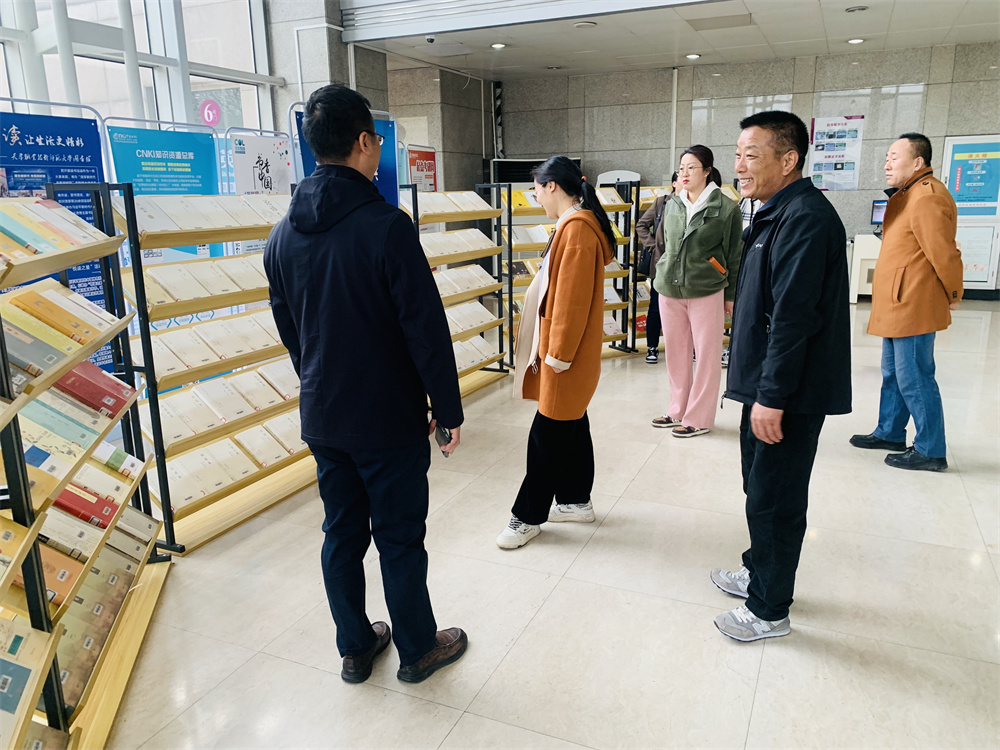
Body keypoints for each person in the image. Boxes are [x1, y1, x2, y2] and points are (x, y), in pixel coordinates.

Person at [264, 84, 468, 684]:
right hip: (387, 417)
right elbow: (424, 329)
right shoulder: (387, 227)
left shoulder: (281, 235)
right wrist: (447, 409)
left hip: (324, 415)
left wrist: (317, 379)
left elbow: (290, 328)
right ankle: (417, 649)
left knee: (341, 532)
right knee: (399, 537)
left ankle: (355, 647)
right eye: (376, 139)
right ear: (362, 142)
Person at [712, 111, 851, 642]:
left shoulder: (805, 219)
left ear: (788, 159)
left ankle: (769, 609)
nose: (739, 165)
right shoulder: (774, 213)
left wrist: (771, 397)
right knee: (760, 488)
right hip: (765, 385)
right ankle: (759, 572)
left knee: (776, 498)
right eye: (737, 154)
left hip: (788, 393)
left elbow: (793, 318)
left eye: (751, 155)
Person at [497, 155, 616, 550]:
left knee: (546, 436)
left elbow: (571, 300)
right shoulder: (574, 224)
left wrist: (559, 355)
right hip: (565, 352)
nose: (536, 198)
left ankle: (528, 516)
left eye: (536, 190)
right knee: (571, 423)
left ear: (552, 186)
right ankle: (575, 500)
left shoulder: (577, 229)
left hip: (565, 355)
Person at [849, 133, 963, 472]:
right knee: (894, 374)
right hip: (899, 301)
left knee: (915, 377)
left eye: (894, 157)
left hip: (913, 302)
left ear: (918, 163)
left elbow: (944, 253)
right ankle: (890, 432)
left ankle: (930, 450)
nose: (887, 164)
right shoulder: (909, 194)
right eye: (887, 157)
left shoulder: (927, 197)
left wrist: (954, 294)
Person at [649, 145, 743, 438]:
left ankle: (699, 417)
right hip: (669, 288)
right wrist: (663, 267)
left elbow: (735, 255)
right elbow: (664, 242)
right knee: (676, 352)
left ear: (707, 171)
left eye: (692, 167)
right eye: (682, 168)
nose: (685, 173)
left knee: (706, 356)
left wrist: (731, 294)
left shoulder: (726, 208)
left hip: (707, 288)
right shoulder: (673, 203)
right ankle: (677, 409)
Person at [635, 171, 679, 364]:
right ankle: (652, 347)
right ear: (674, 183)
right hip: (661, 263)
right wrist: (653, 246)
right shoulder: (662, 203)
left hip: (683, 264)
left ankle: (682, 347)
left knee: (681, 308)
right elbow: (641, 225)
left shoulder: (692, 204)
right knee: (656, 306)